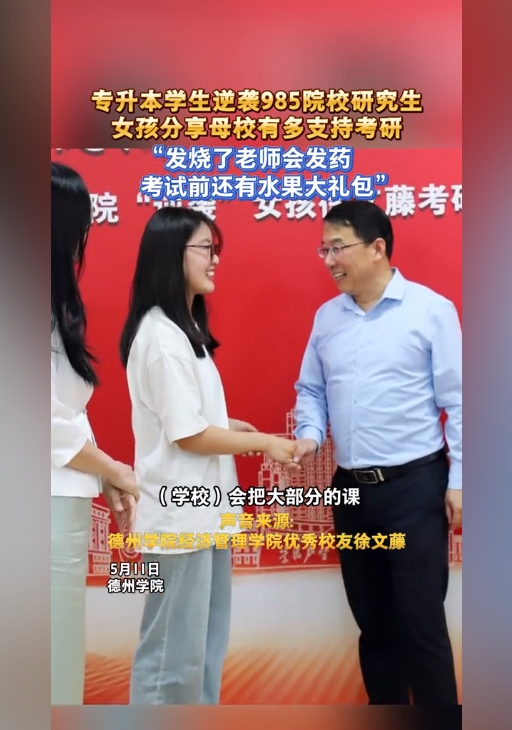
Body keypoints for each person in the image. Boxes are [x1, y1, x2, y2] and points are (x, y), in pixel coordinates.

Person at [120, 206, 296, 705]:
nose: (215, 259)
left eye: (215, 249)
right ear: (171, 256)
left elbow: (189, 420)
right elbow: (188, 435)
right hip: (180, 520)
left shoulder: (184, 333)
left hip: (204, 515)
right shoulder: (161, 337)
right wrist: (264, 442)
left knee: (200, 654)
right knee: (171, 660)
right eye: (205, 248)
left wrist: (227, 425)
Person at [288, 200, 461, 705]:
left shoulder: (430, 311)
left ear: (377, 248)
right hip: (352, 492)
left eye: (337, 248)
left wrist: (461, 481)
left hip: (414, 489)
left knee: (421, 626)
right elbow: (311, 389)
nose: (328, 260)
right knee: (374, 625)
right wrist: (310, 434)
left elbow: (460, 402)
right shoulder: (327, 318)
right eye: (324, 249)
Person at [51, 161, 140, 705]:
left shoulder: (56, 298)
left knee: (59, 645)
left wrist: (103, 472)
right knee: (50, 650)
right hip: (42, 499)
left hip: (63, 492)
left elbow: (64, 409)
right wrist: (112, 469)